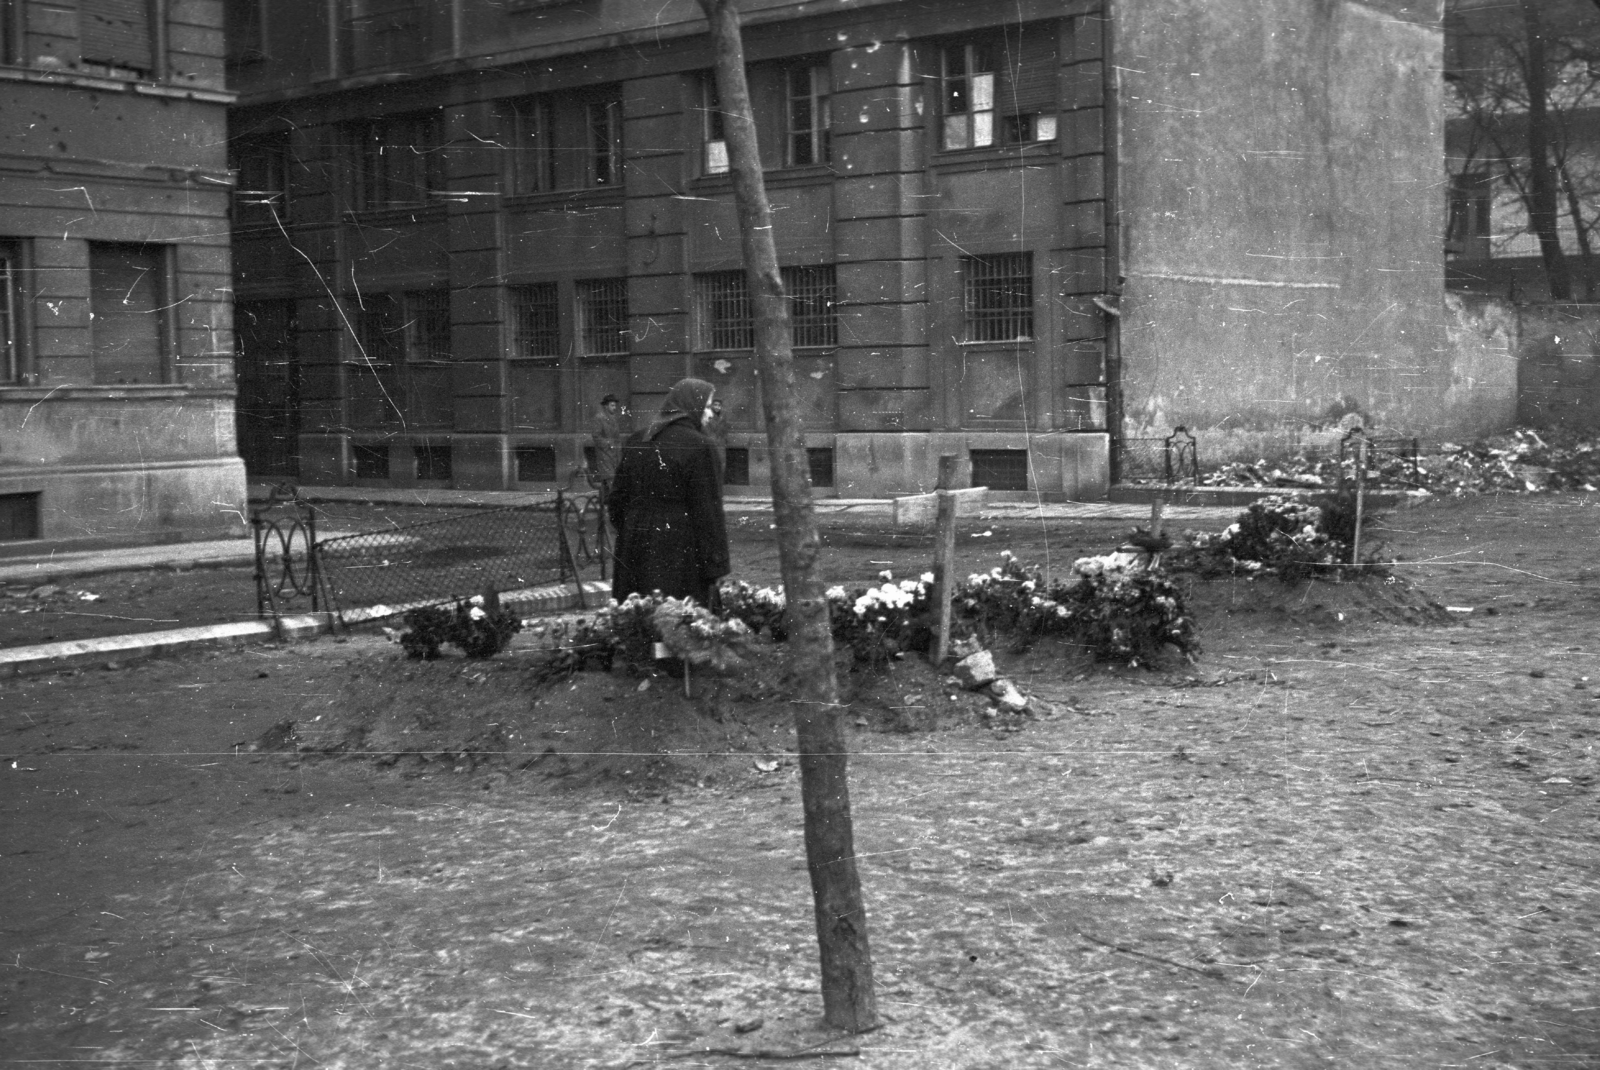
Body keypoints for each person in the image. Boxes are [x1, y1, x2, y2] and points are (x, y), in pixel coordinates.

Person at [607, 378, 730, 605]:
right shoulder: (700, 446)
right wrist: (716, 566)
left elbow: (616, 502)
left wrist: (633, 528)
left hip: (634, 548)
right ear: (691, 406)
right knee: (679, 623)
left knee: (638, 621)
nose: (710, 414)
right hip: (680, 550)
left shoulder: (637, 439)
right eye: (707, 406)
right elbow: (708, 511)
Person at [591, 394, 625, 492]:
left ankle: (605, 499)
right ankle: (613, 499)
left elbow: (616, 436)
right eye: (612, 405)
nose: (615, 408)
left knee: (615, 476)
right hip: (605, 453)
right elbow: (596, 436)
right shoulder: (599, 418)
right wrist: (608, 444)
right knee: (610, 477)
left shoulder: (614, 418)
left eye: (615, 405)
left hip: (615, 453)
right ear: (606, 406)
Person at [703, 397, 729, 482]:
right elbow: (706, 430)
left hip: (721, 444)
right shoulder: (708, 416)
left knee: (721, 464)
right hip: (711, 444)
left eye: (719, 405)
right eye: (715, 405)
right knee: (710, 465)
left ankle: (719, 484)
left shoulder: (723, 417)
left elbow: (725, 430)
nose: (717, 407)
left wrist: (724, 440)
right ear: (712, 406)